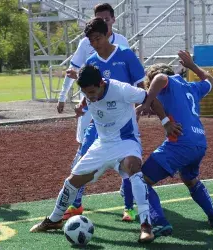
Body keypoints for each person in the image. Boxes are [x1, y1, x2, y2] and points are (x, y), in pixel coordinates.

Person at [30, 65, 182, 243]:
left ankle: (146, 226)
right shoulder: (89, 92)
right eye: (86, 93)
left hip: (126, 141)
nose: (90, 96)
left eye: (92, 92)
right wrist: (82, 105)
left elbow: (151, 98)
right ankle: (54, 220)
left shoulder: (121, 89)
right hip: (102, 144)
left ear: (101, 83)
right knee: (72, 181)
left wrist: (165, 122)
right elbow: (90, 100)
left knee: (134, 168)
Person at [66, 16, 146, 222]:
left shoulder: (126, 55)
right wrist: (82, 105)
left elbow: (140, 86)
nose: (94, 43)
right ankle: (76, 204)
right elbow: (89, 91)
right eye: (91, 40)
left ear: (108, 33)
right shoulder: (91, 62)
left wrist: (139, 109)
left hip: (123, 120)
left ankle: (130, 208)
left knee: (126, 164)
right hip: (98, 121)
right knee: (82, 157)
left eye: (97, 38)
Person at [136, 50, 213, 238]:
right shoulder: (191, 87)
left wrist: (146, 103)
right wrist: (192, 66)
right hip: (199, 142)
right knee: (191, 180)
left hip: (181, 143)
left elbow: (159, 78)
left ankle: (160, 222)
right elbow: (212, 82)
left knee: (141, 181)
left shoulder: (166, 82)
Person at [56, 3, 130, 220]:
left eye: (106, 19)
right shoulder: (85, 44)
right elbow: (74, 71)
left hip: (116, 110)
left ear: (113, 20)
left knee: (124, 153)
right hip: (91, 107)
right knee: (84, 154)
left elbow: (127, 77)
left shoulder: (122, 43)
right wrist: (63, 97)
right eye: (99, 19)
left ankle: (129, 196)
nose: (103, 23)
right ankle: (77, 203)